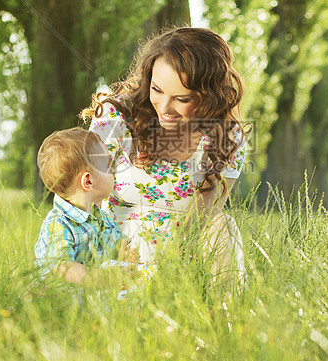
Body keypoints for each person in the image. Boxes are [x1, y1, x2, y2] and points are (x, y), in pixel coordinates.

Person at [83, 27, 248, 288]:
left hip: (184, 258)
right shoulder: (116, 118)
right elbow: (81, 199)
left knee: (222, 224)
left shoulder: (227, 138)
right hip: (117, 256)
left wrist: (169, 270)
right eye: (157, 89)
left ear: (209, 97)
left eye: (182, 99)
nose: (165, 107)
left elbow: (206, 216)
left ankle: (224, 317)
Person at [33, 127, 153, 286]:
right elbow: (61, 268)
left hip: (97, 295)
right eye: (109, 167)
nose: (114, 171)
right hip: (65, 300)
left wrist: (125, 254)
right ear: (88, 181)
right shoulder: (58, 225)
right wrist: (105, 278)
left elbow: (118, 248)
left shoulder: (102, 219)